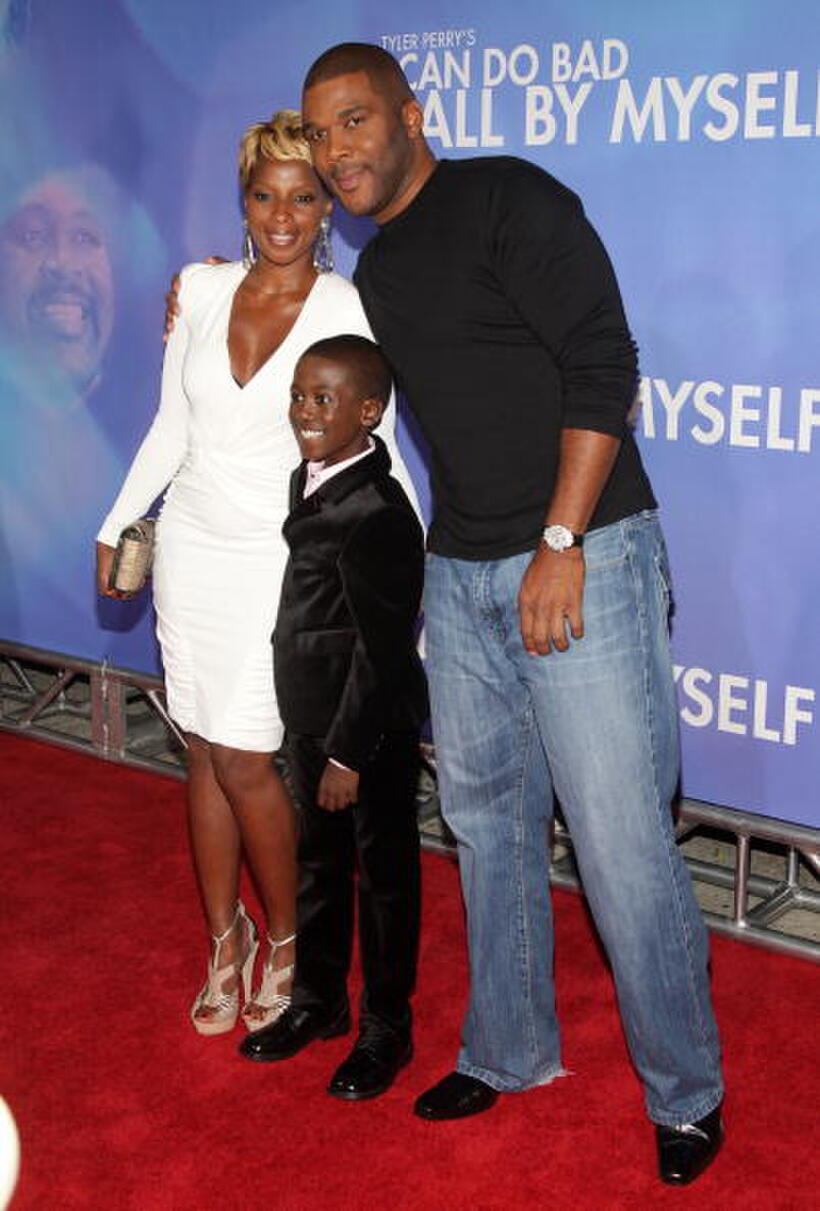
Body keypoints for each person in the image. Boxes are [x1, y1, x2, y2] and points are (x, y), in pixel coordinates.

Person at [296, 44, 724, 1185]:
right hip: (464, 568)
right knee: (485, 826)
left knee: (621, 841)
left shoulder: (508, 198)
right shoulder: (378, 269)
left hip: (580, 556)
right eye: (320, 132)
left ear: (407, 115)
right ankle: (510, 1046)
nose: (337, 151)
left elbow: (602, 363)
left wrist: (558, 542)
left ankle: (686, 1090)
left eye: (353, 122)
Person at [97, 110, 418, 1039]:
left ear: (327, 208)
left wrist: (401, 585)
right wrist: (119, 520)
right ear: (244, 201)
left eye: (304, 196)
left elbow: (381, 451)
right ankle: (221, 939)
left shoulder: (347, 309)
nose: (284, 214)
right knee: (199, 746)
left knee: (246, 755)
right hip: (190, 549)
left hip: (281, 564)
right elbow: (171, 426)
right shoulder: (199, 288)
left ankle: (288, 940)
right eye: (266, 194)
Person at [240, 335, 427, 1100]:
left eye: (324, 399)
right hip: (312, 718)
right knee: (317, 865)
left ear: (369, 411)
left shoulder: (379, 511)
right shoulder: (312, 477)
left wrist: (348, 754)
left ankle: (387, 1024)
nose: (304, 412)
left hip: (368, 732)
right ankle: (318, 1000)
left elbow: (383, 649)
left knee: (383, 879)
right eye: (298, 395)